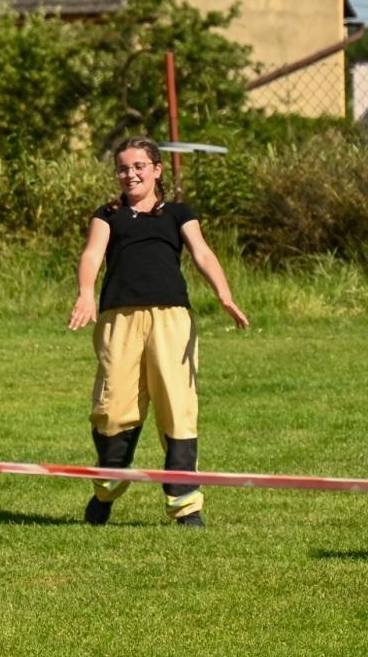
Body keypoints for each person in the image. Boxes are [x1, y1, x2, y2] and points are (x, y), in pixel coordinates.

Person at [67, 136, 249, 528]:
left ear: (156, 170)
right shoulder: (107, 215)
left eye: (138, 166)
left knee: (177, 407)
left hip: (171, 319)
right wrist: (85, 294)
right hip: (120, 320)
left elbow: (202, 252)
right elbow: (92, 254)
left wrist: (224, 294)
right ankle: (105, 491)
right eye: (122, 167)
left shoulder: (179, 213)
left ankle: (186, 506)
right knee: (112, 409)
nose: (129, 174)